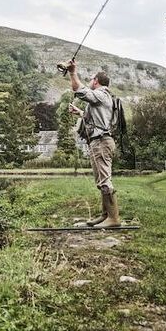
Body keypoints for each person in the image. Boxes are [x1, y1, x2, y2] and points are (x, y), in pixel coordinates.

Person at [66, 59, 120, 227]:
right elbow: (97, 118)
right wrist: (81, 113)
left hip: (101, 142)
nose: (90, 81)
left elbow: (79, 90)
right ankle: (105, 216)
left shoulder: (101, 94)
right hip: (100, 142)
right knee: (101, 180)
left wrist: (73, 72)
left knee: (105, 180)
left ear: (96, 81)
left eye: (91, 79)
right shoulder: (103, 97)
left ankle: (113, 219)